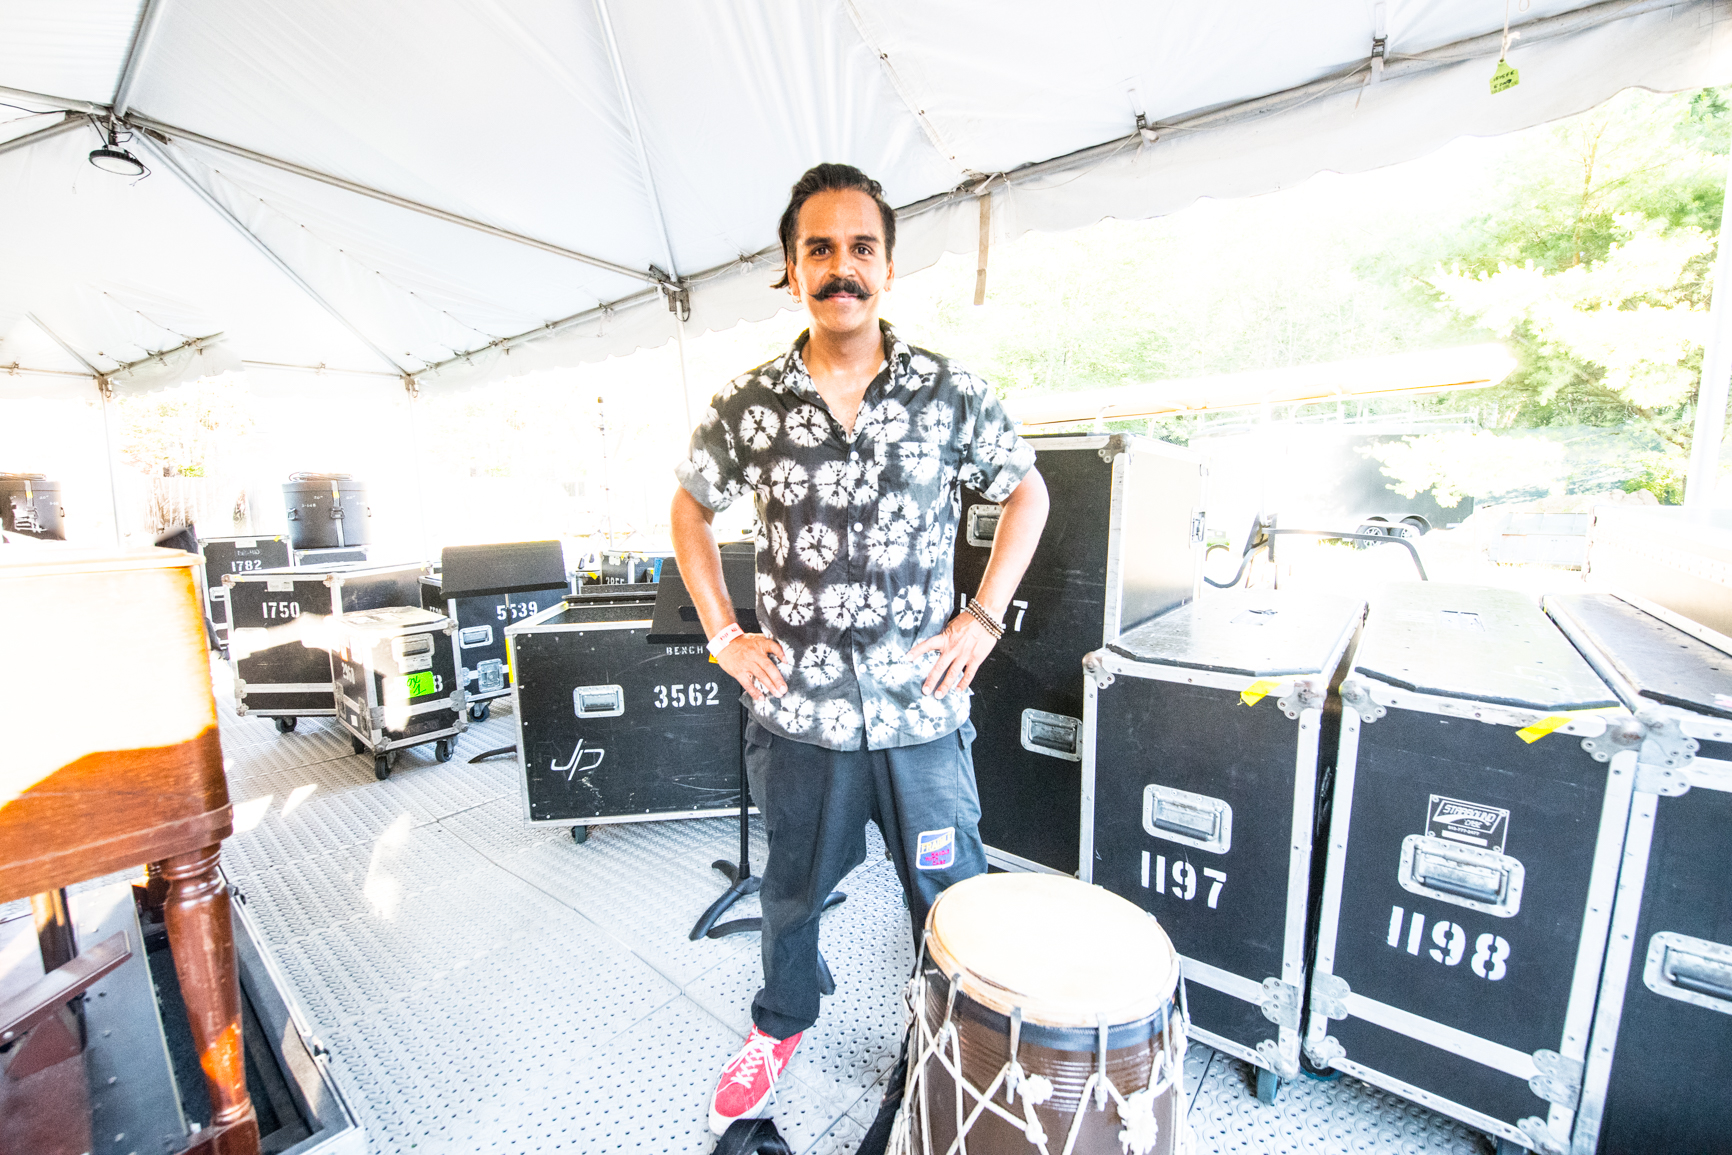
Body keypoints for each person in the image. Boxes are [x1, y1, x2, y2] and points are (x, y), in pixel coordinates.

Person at [671, 162, 1050, 1135]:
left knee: (952, 892)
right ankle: (781, 1024)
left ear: (885, 262)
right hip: (799, 717)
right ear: (791, 270)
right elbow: (688, 507)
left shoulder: (946, 391)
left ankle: (968, 1040)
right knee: (790, 893)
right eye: (820, 249)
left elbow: (1026, 490)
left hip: (920, 709)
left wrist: (984, 614)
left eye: (860, 247)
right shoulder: (748, 404)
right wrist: (722, 632)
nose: (842, 266)